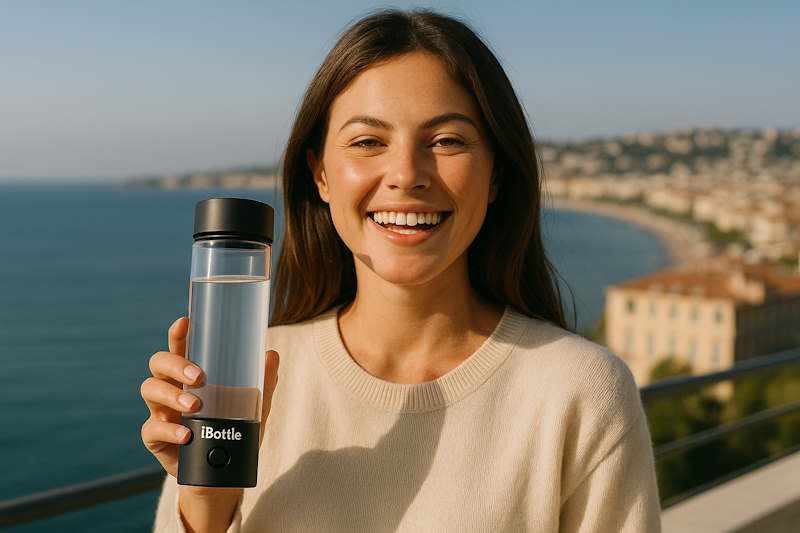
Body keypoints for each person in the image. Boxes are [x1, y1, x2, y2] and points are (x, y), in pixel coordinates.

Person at [142, 9, 662, 532]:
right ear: (320, 174)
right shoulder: (242, 381)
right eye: (368, 142)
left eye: (447, 141)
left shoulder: (580, 391)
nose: (407, 174)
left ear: (496, 174)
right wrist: (205, 501)